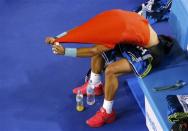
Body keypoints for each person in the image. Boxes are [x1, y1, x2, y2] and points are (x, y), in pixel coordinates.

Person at [45, 9, 174, 127]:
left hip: (151, 51)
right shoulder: (107, 18)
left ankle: (107, 112)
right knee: (100, 45)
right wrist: (58, 38)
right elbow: (83, 29)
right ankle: (94, 85)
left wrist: (65, 52)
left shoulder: (116, 33)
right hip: (132, 39)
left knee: (111, 70)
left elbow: (93, 50)